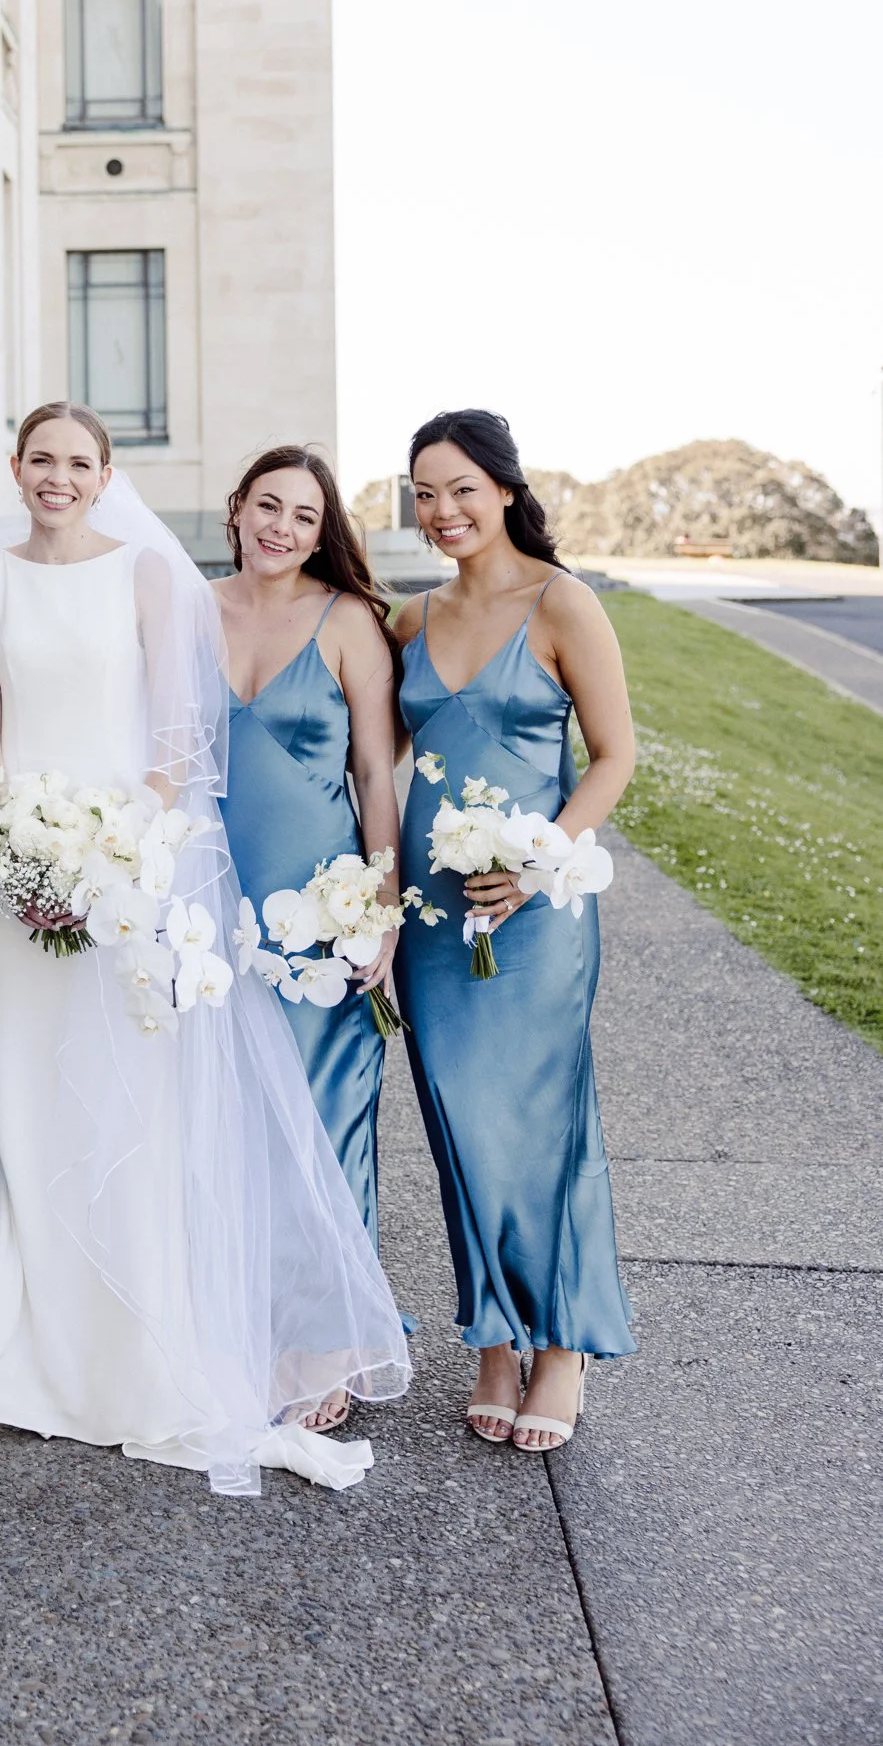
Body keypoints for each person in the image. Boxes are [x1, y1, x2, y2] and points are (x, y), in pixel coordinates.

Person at [0, 402, 410, 1495]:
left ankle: (149, 1354)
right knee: (38, 1105)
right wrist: (23, 860)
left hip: (132, 872)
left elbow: (172, 742)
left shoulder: (151, 580)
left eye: (77, 461)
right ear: (15, 470)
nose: (57, 476)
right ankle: (37, 1349)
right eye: (40, 459)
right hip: (22, 885)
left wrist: (113, 861)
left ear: (107, 475)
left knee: (139, 1108)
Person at [393, 409, 637, 1452]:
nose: (439, 511)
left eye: (457, 488)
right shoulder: (407, 620)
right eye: (421, 493)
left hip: (536, 916)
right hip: (434, 918)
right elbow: (360, 754)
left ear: (500, 487)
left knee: (539, 1125)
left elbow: (613, 756)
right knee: (457, 1125)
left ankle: (563, 1347)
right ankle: (494, 1337)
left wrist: (536, 866)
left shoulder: (561, 603)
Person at [215, 444, 406, 1429]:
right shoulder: (189, 610)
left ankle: (327, 1340)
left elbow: (375, 776)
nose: (280, 526)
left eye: (301, 512)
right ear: (235, 508)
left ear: (321, 526)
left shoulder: (347, 623)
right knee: (235, 1132)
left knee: (323, 1131)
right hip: (213, 911)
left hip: (319, 913)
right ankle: (243, 1325)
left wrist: (378, 905)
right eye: (265, 505)